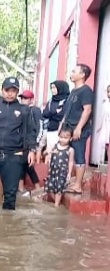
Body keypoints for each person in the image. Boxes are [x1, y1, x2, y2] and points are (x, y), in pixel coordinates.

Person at [0, 77, 37, 210]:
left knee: (10, 193)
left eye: (13, 90)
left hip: (13, 157)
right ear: (2, 90)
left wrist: (32, 150)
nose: (9, 93)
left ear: (17, 92)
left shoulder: (24, 110)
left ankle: (7, 223)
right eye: (7, 90)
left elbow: (30, 131)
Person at [60, 64, 95, 194]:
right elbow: (68, 111)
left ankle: (78, 185)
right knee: (69, 155)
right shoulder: (74, 91)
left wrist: (79, 128)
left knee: (79, 155)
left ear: (82, 75)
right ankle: (70, 182)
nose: (72, 73)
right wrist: (62, 125)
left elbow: (87, 110)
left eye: (75, 71)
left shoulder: (86, 91)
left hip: (78, 129)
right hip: (68, 128)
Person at [18, 90, 42, 194]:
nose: (23, 100)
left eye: (26, 98)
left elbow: (37, 127)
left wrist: (34, 144)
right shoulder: (21, 109)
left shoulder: (35, 110)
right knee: (24, 165)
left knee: (27, 165)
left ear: (31, 99)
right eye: (22, 98)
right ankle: (23, 188)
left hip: (30, 143)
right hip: (22, 143)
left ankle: (36, 188)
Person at [44, 127, 74, 207]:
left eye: (65, 138)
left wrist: (69, 173)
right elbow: (47, 153)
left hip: (62, 172)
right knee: (49, 187)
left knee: (59, 189)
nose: (62, 139)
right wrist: (50, 152)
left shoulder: (70, 150)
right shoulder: (55, 146)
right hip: (52, 171)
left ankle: (56, 205)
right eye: (61, 137)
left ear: (70, 138)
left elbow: (71, 162)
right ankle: (57, 203)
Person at [43, 80, 70, 154]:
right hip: (50, 130)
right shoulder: (51, 101)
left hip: (62, 132)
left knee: (60, 153)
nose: (52, 90)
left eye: (54, 88)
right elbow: (45, 114)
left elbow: (63, 115)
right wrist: (55, 112)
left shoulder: (67, 101)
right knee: (50, 153)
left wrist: (52, 114)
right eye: (51, 88)